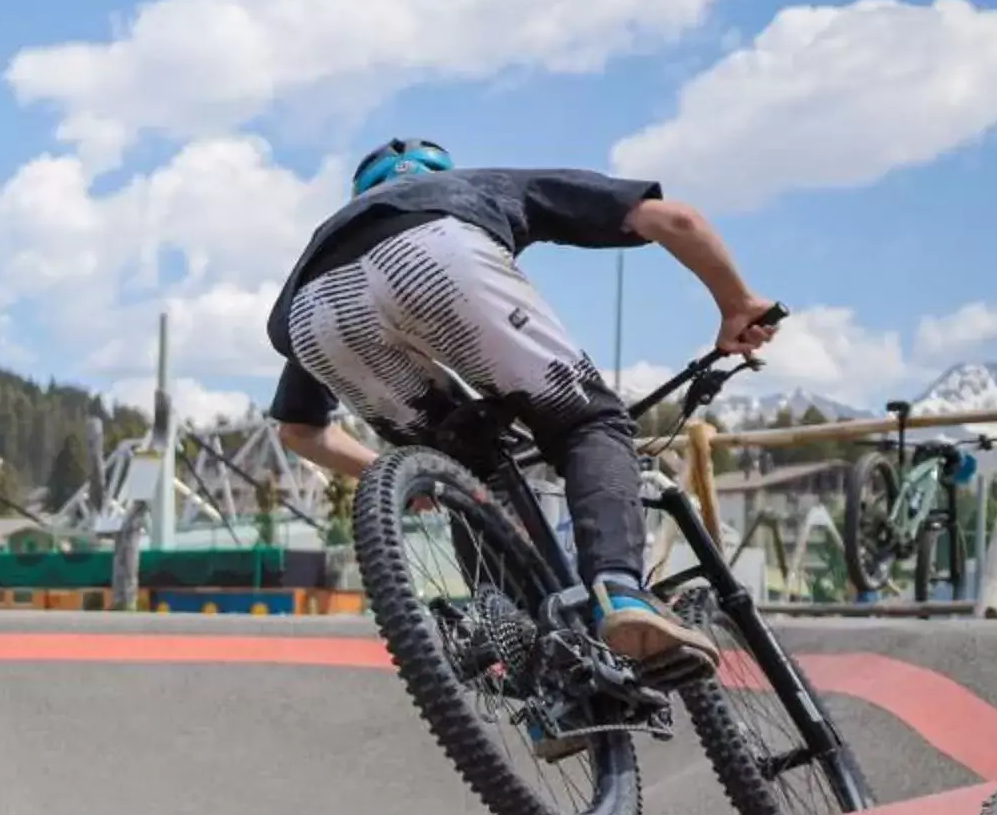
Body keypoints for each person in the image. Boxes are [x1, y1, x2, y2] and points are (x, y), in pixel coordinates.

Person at [266, 139, 784, 672]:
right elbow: (675, 219)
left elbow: (298, 431)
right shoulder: (472, 185)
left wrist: (409, 478)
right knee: (589, 422)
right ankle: (622, 594)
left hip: (314, 309)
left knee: (472, 476)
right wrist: (738, 303)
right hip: (434, 251)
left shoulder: (329, 239)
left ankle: (529, 673)